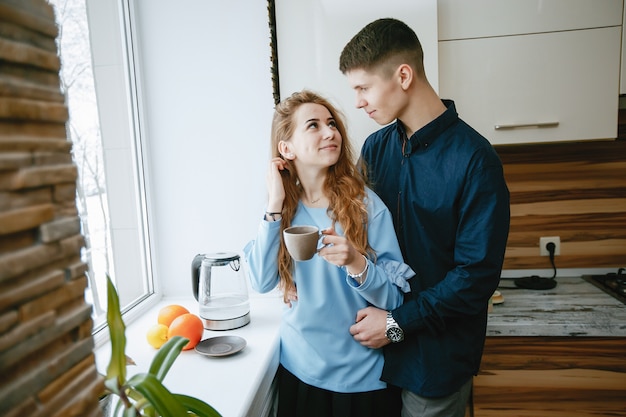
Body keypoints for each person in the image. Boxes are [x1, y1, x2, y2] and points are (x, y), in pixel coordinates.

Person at [339, 18, 511, 417]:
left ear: (403, 75)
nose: (359, 102)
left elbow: (474, 279)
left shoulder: (475, 161)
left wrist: (396, 323)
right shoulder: (376, 148)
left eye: (364, 88)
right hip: (368, 357)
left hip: (433, 364)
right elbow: (354, 230)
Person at [243, 90, 414, 417]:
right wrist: (274, 202)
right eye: (314, 125)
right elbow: (262, 282)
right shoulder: (281, 211)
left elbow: (395, 301)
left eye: (332, 123)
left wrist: (355, 262)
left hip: (363, 381)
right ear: (286, 148)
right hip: (299, 371)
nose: (330, 132)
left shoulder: (365, 207)